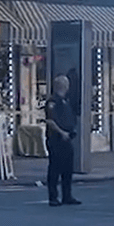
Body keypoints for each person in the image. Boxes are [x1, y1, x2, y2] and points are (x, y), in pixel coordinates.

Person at [43, 75, 82, 206]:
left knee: (68, 169)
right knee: (55, 168)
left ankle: (67, 195)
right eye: (66, 84)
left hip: (67, 138)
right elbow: (50, 121)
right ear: (62, 86)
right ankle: (53, 197)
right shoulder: (52, 101)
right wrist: (62, 132)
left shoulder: (66, 100)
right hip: (56, 139)